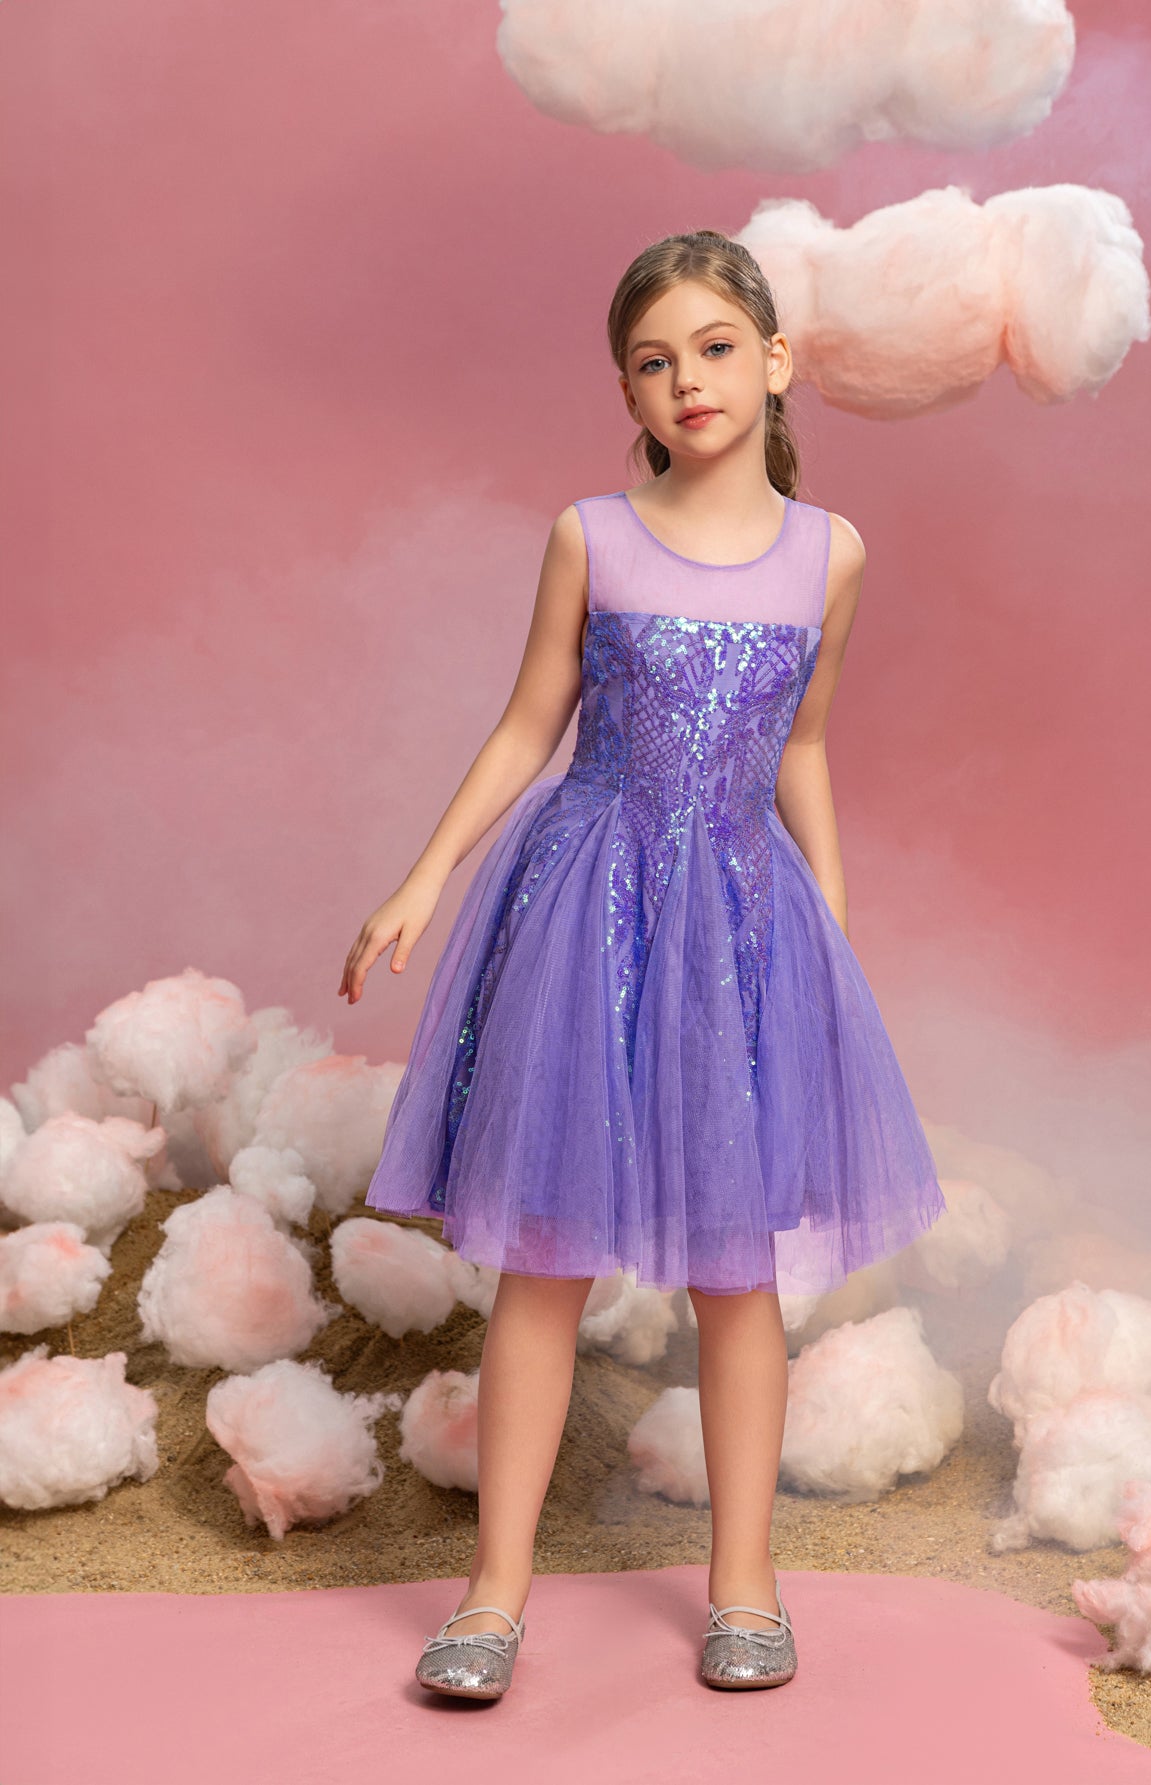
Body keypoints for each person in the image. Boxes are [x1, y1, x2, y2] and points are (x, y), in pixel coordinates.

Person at [338, 229, 947, 1699]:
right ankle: (494, 1594)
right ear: (627, 387)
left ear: (776, 361)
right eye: (655, 360)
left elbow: (804, 744)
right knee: (545, 1260)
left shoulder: (830, 554)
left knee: (738, 1271)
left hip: (739, 918)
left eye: (717, 348)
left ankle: (747, 1586)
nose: (690, 379)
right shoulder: (591, 536)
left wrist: (829, 924)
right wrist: (426, 874)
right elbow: (527, 722)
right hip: (587, 911)